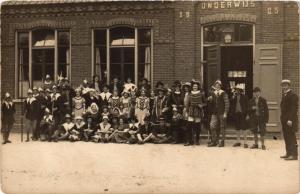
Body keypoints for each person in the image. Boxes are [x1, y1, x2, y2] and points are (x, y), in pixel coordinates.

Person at [280, 79, 298, 160]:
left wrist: (290, 119)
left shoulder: (293, 96)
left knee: (291, 137)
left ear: (289, 86)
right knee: (286, 137)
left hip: (290, 120)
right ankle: (288, 153)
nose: (284, 87)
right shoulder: (284, 95)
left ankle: (294, 155)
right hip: (284, 120)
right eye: (283, 85)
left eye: (285, 85)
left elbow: (293, 109)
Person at [208, 80, 229, 147]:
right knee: (212, 126)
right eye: (216, 85)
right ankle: (214, 141)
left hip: (222, 112)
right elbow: (210, 103)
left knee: (222, 127)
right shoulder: (213, 93)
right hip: (214, 112)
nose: (217, 86)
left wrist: (225, 112)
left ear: (220, 86)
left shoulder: (223, 93)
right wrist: (209, 100)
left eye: (218, 85)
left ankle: (222, 142)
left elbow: (227, 103)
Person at [185, 80, 206, 146]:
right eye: (194, 86)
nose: (195, 87)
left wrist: (201, 105)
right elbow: (187, 104)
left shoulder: (201, 94)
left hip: (198, 111)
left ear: (198, 87)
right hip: (191, 110)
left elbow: (205, 103)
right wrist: (187, 111)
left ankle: (197, 140)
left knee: (197, 127)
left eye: (196, 86)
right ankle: (189, 141)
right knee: (188, 126)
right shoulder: (189, 94)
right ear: (192, 87)